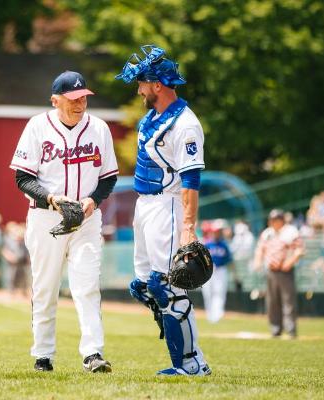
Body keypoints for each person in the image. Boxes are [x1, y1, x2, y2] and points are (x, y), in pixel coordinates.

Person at [10, 70, 118, 373]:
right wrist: (52, 199)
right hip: (47, 219)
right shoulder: (37, 127)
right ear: (55, 100)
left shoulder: (99, 128)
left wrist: (93, 200)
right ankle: (43, 355)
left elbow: (108, 178)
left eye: (83, 97)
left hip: (86, 219)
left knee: (87, 286)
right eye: (72, 98)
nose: (79, 103)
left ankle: (93, 353)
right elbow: (23, 178)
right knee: (45, 288)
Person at [116, 45, 211, 376]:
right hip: (145, 206)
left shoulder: (185, 124)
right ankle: (189, 353)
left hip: (168, 204)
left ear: (157, 84)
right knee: (143, 286)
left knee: (166, 285)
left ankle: (190, 364)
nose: (139, 88)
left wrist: (188, 226)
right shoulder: (152, 117)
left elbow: (191, 179)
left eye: (142, 82)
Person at [254, 209, 304, 338]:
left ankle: (291, 330)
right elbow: (261, 248)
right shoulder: (267, 233)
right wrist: (258, 261)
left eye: (275, 219)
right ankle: (275, 329)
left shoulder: (291, 231)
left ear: (281, 220)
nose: (272, 222)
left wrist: (290, 262)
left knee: (288, 301)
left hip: (285, 271)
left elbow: (299, 250)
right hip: (271, 270)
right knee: (272, 302)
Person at [201, 219, 236, 323]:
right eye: (215, 231)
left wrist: (235, 274)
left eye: (218, 231)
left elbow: (230, 260)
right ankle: (210, 314)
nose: (217, 233)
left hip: (221, 270)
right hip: (208, 271)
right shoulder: (207, 244)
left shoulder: (224, 245)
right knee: (207, 293)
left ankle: (218, 314)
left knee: (219, 292)